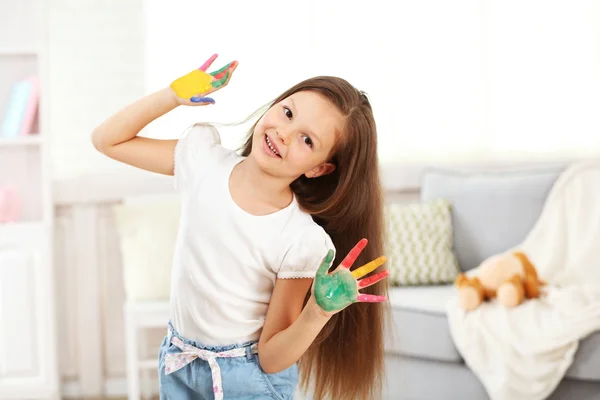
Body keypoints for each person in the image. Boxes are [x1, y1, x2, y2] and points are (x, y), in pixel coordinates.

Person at [92, 54, 390, 400]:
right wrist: (172, 96)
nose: (284, 134)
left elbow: (272, 357)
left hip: (247, 381)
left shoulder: (299, 239)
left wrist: (317, 313)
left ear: (320, 168)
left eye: (307, 140)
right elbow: (106, 140)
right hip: (181, 363)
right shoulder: (203, 161)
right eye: (288, 112)